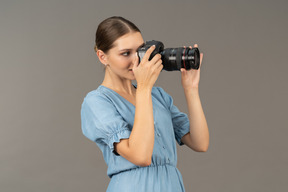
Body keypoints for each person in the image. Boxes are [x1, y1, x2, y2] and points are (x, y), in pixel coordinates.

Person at [80, 16, 209, 192]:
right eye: (125, 53)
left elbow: (200, 143)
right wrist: (144, 88)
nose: (137, 61)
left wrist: (191, 89)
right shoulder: (97, 101)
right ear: (103, 57)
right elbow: (141, 156)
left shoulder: (157, 95)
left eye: (140, 51)